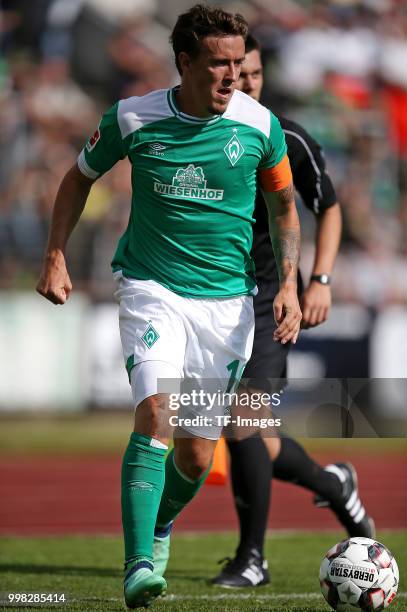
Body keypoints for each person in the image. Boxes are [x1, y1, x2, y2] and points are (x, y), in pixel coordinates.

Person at [36, 7, 302, 609]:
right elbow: (78, 178)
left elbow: (285, 207)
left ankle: (159, 529)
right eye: (219, 63)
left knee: (196, 453)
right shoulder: (132, 118)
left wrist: (288, 283)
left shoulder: (260, 126)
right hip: (152, 288)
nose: (233, 74)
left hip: (229, 306)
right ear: (184, 63)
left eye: (239, 62)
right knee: (157, 412)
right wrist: (55, 255)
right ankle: (136, 566)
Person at [211, 34, 375, 588]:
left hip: (266, 297)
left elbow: (328, 208)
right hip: (206, 297)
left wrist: (319, 281)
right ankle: (334, 486)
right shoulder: (201, 132)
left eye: (254, 72)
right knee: (253, 437)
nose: (246, 81)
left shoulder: (289, 136)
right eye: (238, 71)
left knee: (243, 421)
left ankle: (251, 558)